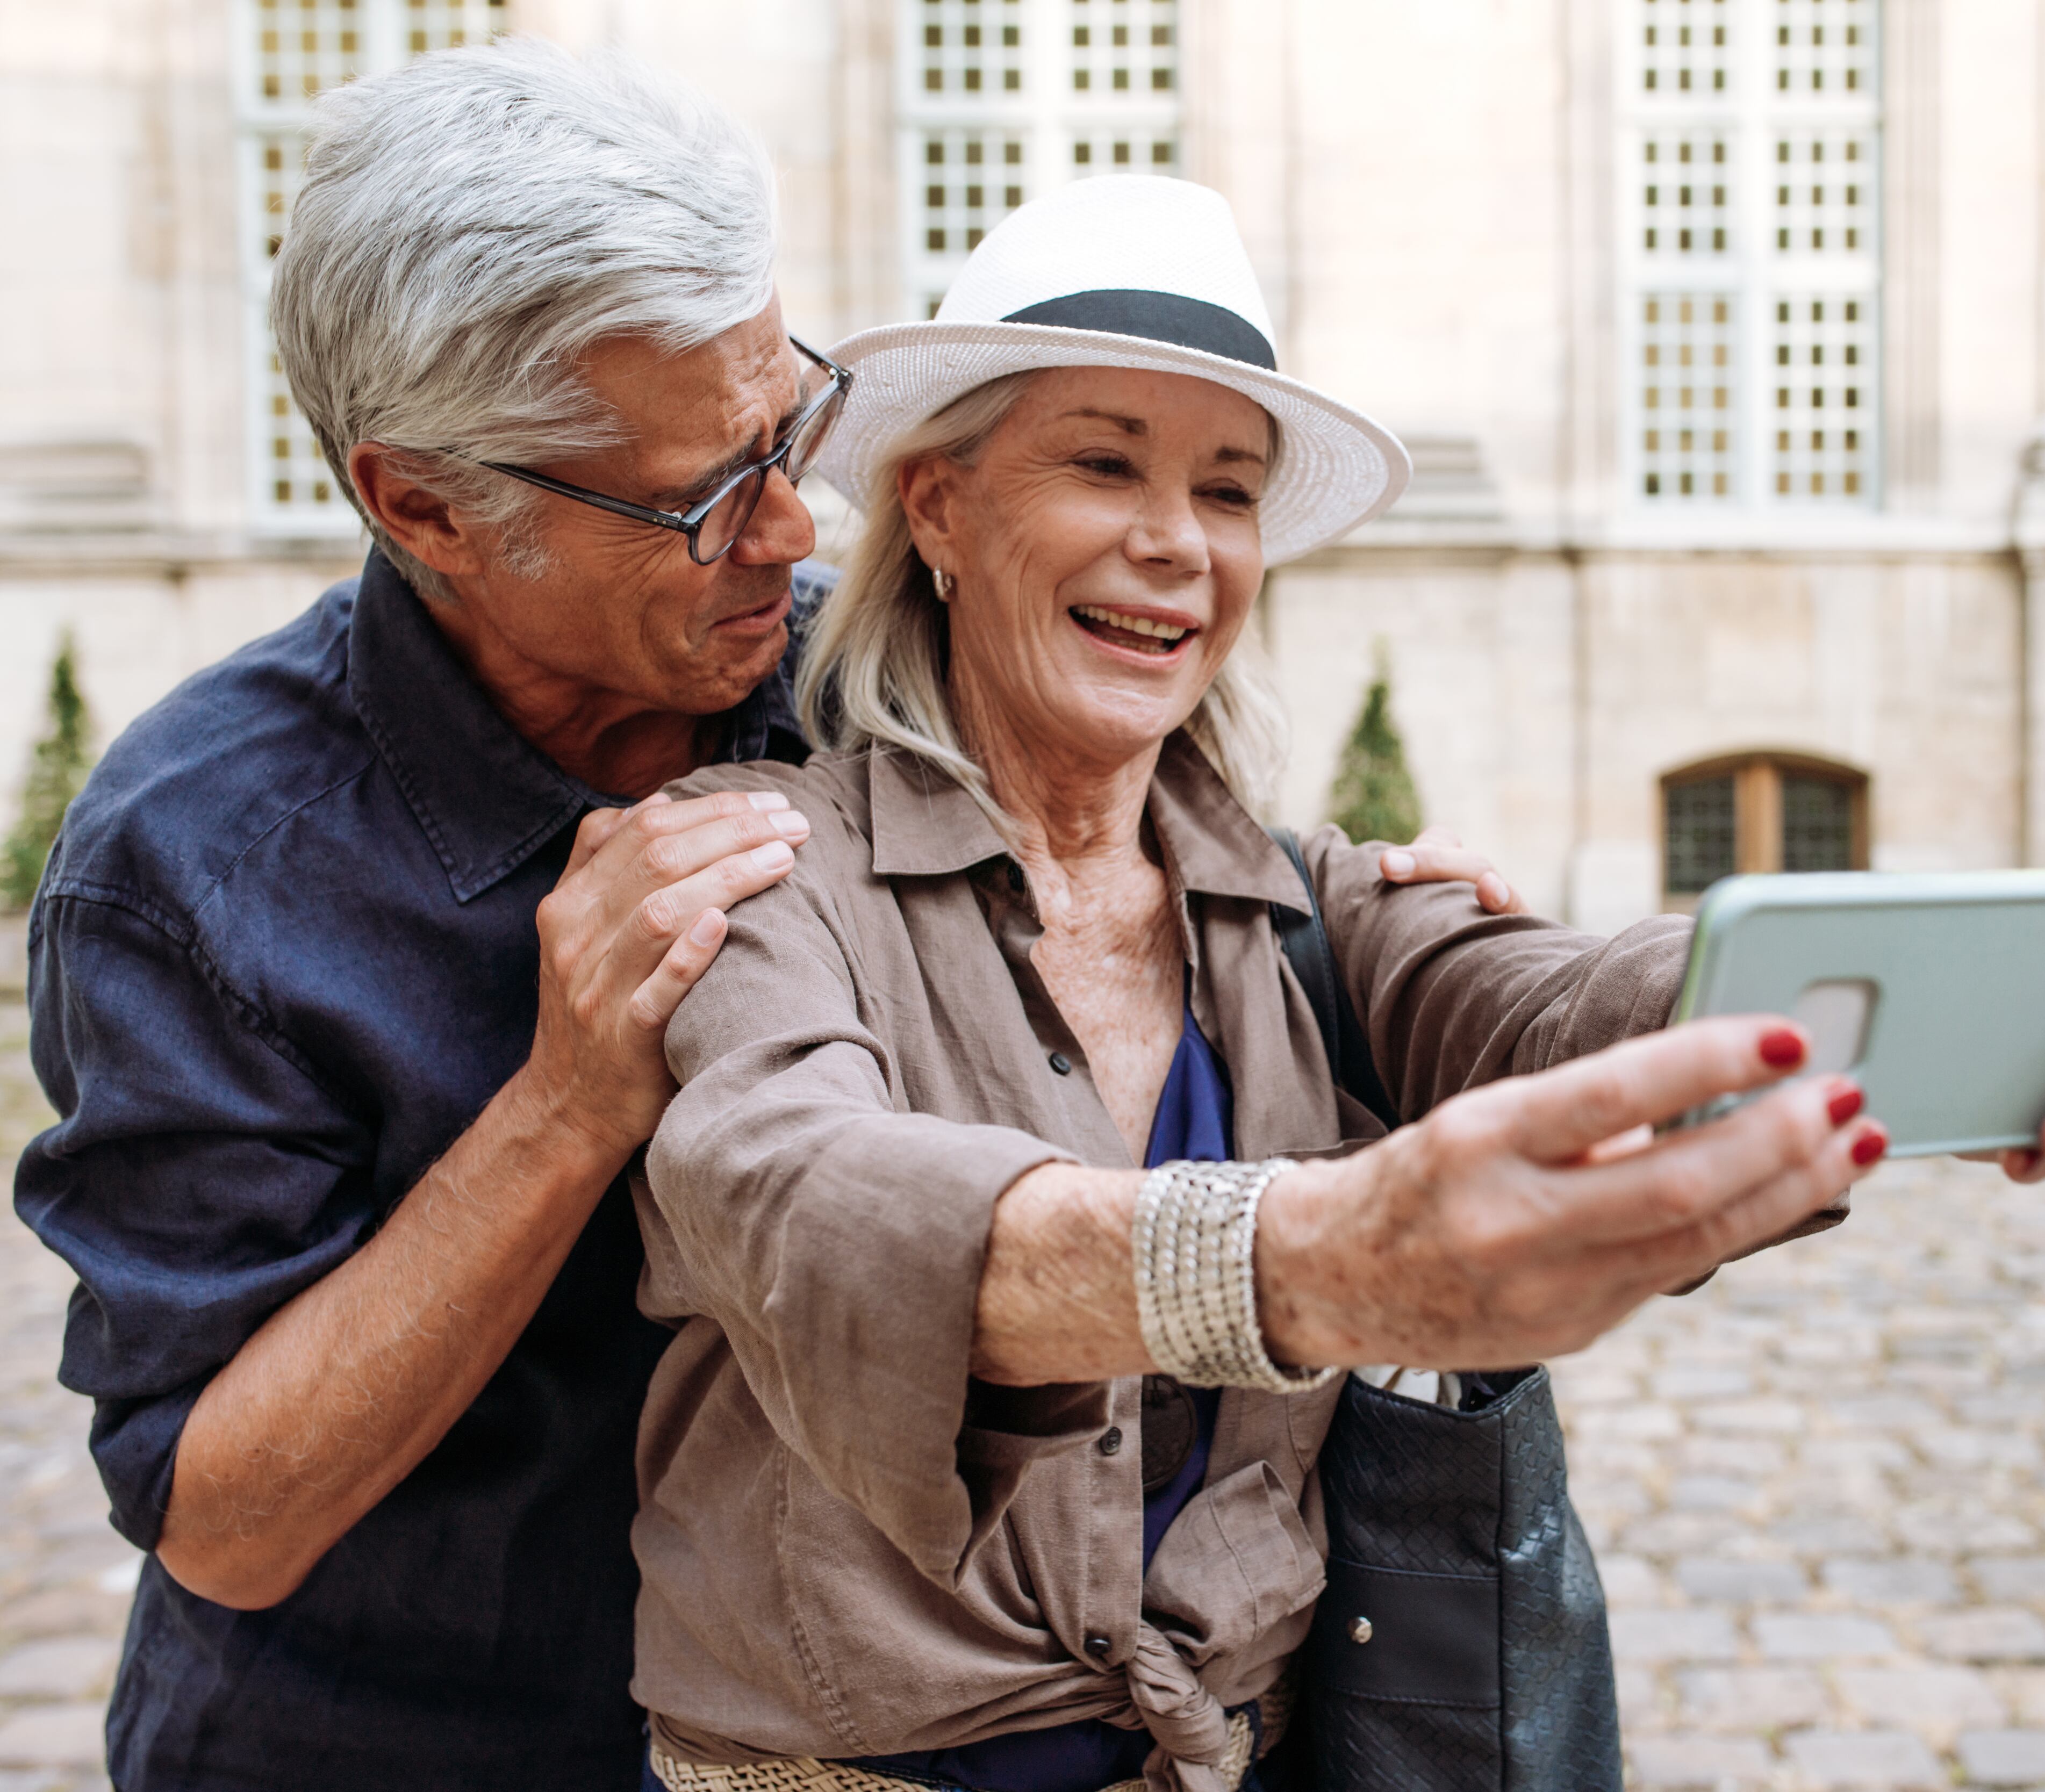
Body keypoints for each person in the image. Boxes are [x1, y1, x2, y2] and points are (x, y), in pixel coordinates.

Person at [9, 44, 1523, 1792]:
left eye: (789, 427)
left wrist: (1365, 919)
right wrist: (563, 1108)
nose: (795, 525)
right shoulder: (196, 859)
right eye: (698, 495)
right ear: (423, 503)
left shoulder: (855, 682)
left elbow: (1159, 863)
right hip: (411, 1745)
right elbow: (222, 1522)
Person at [628, 176, 2045, 1792]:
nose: (1177, 541)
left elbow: (1563, 1002)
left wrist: (1962, 1004)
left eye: (1228, 492)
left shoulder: (1309, 909)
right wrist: (1311, 1262)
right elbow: (799, 1198)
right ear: (941, 510)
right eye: (1104, 464)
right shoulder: (755, 865)